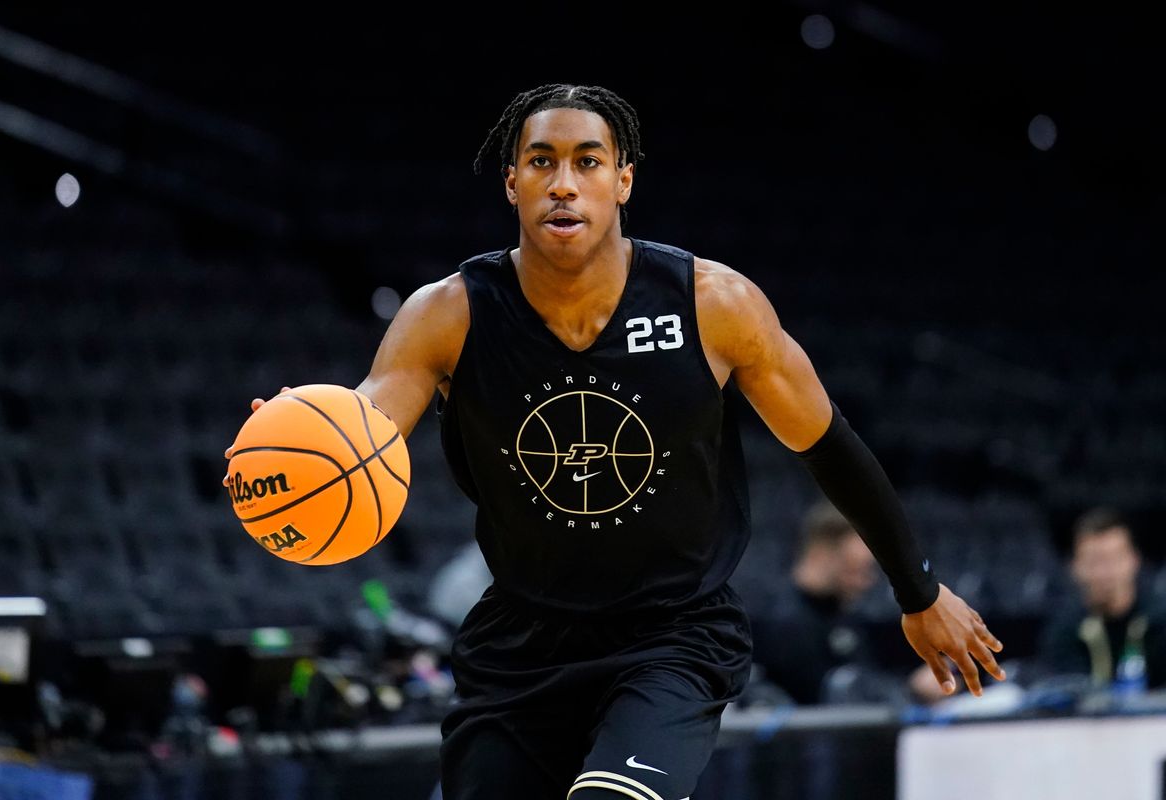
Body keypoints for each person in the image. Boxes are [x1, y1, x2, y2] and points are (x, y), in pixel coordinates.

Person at [224, 83, 1005, 800]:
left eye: (586, 161)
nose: (563, 182)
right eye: (541, 162)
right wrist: (294, 443)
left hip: (672, 634)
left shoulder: (714, 305)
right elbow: (363, 425)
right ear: (512, 184)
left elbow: (828, 443)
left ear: (622, 182)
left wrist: (918, 590)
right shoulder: (448, 315)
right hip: (522, 642)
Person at [749, 500, 883, 704]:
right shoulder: (779, 622)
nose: (865, 582)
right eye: (855, 571)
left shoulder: (844, 616)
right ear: (821, 553)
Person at [1038, 507, 1166, 691]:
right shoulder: (1064, 630)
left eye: (1113, 559)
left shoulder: (1160, 620)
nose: (1104, 572)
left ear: (1134, 560)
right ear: (1075, 567)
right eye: (1093, 561)